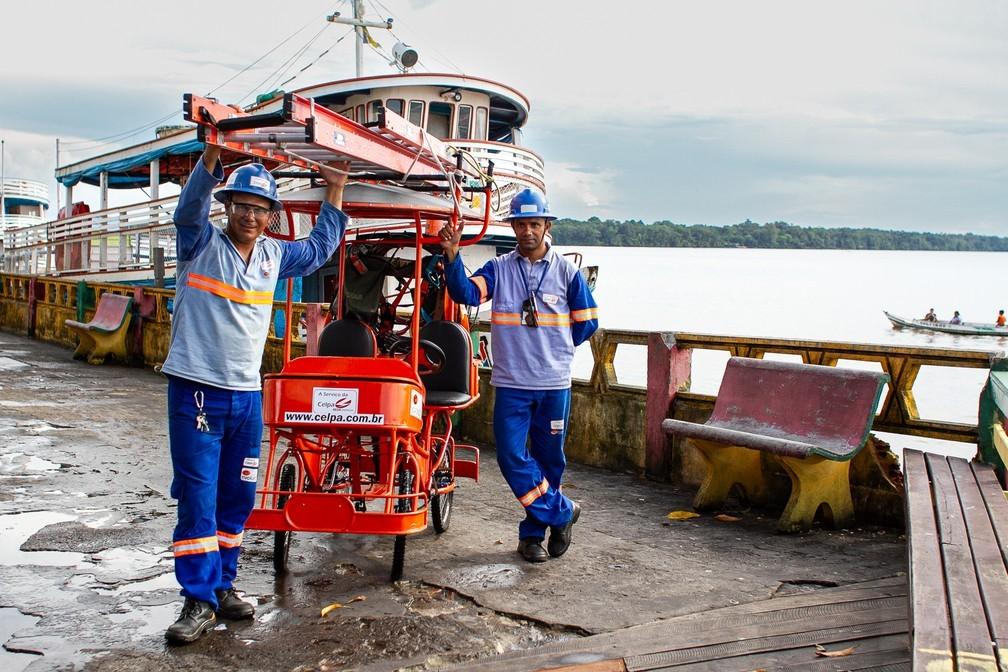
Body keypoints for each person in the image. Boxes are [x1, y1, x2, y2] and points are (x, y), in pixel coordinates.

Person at [160, 145, 349, 644]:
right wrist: (209, 161)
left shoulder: (272, 255)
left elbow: (318, 250)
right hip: (196, 392)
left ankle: (222, 586)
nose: (249, 215)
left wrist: (335, 188)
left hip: (245, 397)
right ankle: (197, 601)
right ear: (228, 207)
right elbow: (186, 210)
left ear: (270, 216)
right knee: (198, 497)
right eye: (241, 204)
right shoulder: (199, 242)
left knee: (237, 494)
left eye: (259, 208)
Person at [438, 188, 598, 563]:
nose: (527, 231)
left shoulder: (567, 272)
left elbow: (587, 323)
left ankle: (531, 537)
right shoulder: (499, 269)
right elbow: (465, 293)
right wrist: (451, 255)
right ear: (512, 227)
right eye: (521, 224)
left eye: (534, 224)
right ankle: (563, 513)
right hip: (512, 384)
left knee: (549, 461)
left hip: (553, 384)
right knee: (511, 456)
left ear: (546, 225)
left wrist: (555, 348)